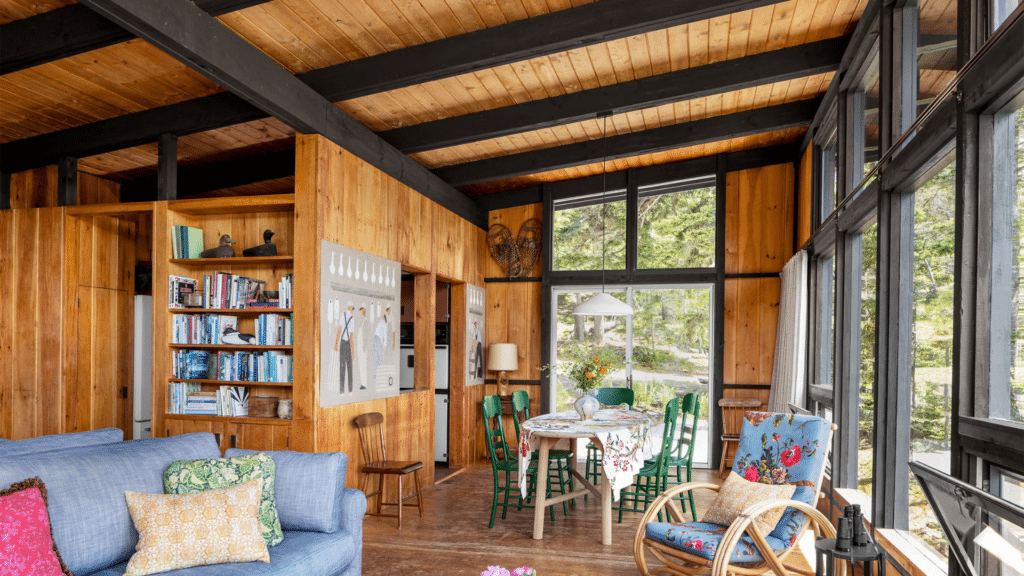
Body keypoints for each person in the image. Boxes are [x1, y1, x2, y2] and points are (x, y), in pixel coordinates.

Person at [334, 302, 355, 393]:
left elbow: (339, 330)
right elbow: (351, 337)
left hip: (342, 343)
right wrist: (353, 351)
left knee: (342, 367)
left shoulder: (343, 316)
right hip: (348, 343)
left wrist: (336, 344)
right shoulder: (352, 319)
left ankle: (342, 391)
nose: (353, 310)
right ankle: (350, 390)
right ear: (350, 308)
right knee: (349, 367)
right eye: (353, 308)